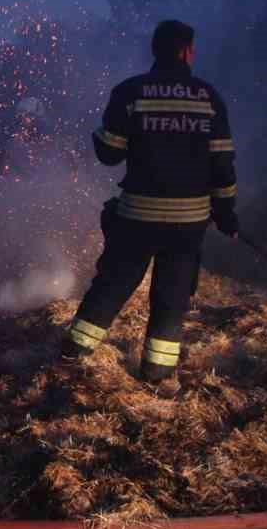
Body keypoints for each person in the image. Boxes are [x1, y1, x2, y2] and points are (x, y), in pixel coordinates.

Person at [61, 20, 239, 389]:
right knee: (172, 296)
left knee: (113, 284)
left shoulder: (131, 91)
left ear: (155, 50)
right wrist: (225, 212)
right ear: (188, 51)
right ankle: (157, 374)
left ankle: (73, 354)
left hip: (137, 215)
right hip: (188, 221)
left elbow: (109, 153)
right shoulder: (208, 97)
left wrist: (99, 133)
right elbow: (222, 163)